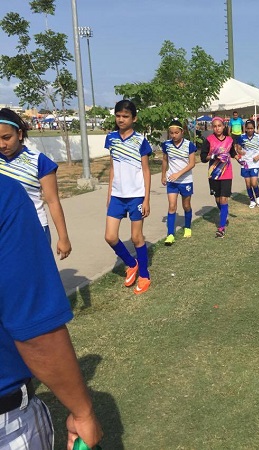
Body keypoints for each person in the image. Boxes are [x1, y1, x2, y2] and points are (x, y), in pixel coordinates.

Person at [0, 173, 103, 449]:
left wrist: (62, 236)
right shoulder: (5, 194)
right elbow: (34, 329)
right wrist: (83, 411)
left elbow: (52, 197)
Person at [0, 108, 72, 259]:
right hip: (4, 230)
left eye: (6, 137)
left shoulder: (39, 161)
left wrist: (63, 237)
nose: (2, 145)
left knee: (34, 278)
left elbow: (53, 202)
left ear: (19, 134)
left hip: (33, 229)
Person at [104, 100, 152, 294]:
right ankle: (132, 264)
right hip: (117, 195)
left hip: (136, 196)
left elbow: (146, 171)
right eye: (118, 116)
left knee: (136, 237)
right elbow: (113, 167)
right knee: (110, 236)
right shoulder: (111, 139)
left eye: (125, 116)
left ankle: (145, 276)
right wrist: (109, 194)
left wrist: (146, 199)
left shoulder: (140, 141)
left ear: (134, 119)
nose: (121, 119)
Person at [199, 117, 240, 238]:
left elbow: (232, 153)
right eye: (215, 126)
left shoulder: (229, 140)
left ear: (223, 126)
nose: (217, 128)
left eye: (219, 126)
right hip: (214, 173)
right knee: (217, 200)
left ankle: (221, 228)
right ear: (212, 127)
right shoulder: (209, 140)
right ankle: (224, 213)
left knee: (223, 199)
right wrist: (213, 156)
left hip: (227, 172)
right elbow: (202, 157)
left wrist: (240, 160)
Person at [161, 119, 197, 246]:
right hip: (172, 181)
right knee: (172, 206)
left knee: (186, 205)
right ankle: (170, 234)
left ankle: (187, 226)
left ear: (182, 132)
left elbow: (192, 163)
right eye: (171, 133)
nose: (174, 135)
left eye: (176, 132)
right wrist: (163, 175)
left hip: (185, 180)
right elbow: (165, 160)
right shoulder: (166, 145)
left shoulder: (189, 145)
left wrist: (179, 174)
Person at [236, 119, 259, 208]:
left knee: (254, 182)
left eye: (251, 128)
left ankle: (258, 197)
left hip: (255, 163)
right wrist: (240, 152)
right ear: (245, 128)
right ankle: (252, 200)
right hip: (245, 163)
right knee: (248, 183)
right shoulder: (241, 137)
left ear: (254, 128)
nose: (250, 130)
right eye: (248, 128)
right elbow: (238, 148)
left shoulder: (258, 137)